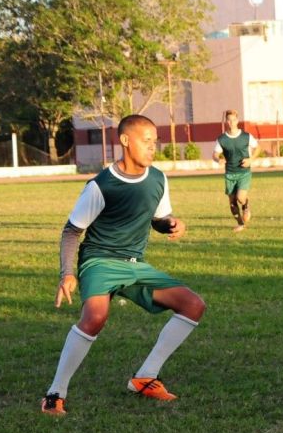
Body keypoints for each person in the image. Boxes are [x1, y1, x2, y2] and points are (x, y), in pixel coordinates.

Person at [41, 114, 206, 415]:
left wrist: (171, 224)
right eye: (147, 141)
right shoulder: (102, 185)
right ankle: (55, 393)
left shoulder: (158, 178)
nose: (153, 148)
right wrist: (67, 273)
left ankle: (145, 377)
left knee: (193, 305)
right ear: (126, 141)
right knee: (95, 318)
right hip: (99, 262)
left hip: (134, 265)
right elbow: (72, 231)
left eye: (155, 142)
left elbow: (157, 218)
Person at [212, 110, 258, 232]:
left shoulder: (246, 136)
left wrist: (250, 159)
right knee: (232, 202)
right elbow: (215, 154)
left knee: (240, 198)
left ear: (237, 121)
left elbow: (258, 147)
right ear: (226, 121)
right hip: (230, 174)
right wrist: (218, 159)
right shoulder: (222, 139)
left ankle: (246, 204)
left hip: (244, 172)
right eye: (229, 120)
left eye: (233, 120)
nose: (231, 122)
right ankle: (241, 224)